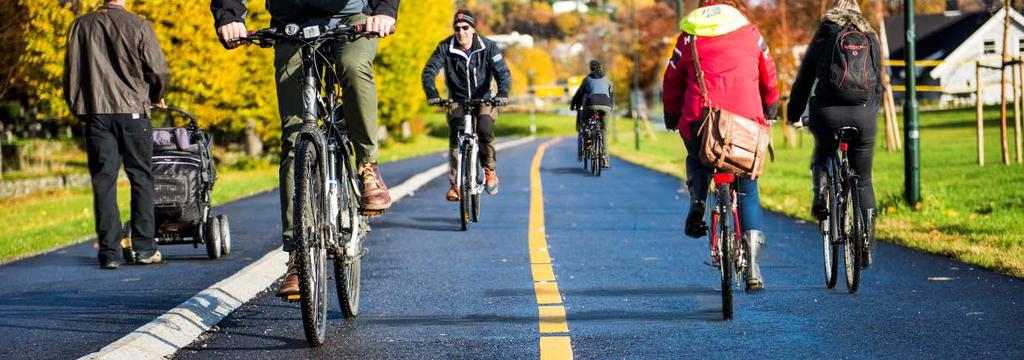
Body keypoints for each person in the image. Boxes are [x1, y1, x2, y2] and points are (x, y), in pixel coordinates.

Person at [211, 0, 399, 297]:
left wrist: (384, 10)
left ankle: (367, 167)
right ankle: (298, 254)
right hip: (290, 23)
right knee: (293, 138)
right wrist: (229, 15)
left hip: (348, 18)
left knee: (352, 67)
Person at [662, 0, 779, 291]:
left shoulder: (689, 34)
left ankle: (698, 203)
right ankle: (752, 267)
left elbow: (672, 79)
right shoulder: (750, 31)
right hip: (745, 122)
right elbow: (769, 72)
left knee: (697, 155)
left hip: (701, 119)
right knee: (748, 188)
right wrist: (771, 106)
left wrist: (671, 114)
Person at [63, 0, 169, 269]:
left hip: (97, 114)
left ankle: (109, 253)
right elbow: (157, 70)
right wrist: (156, 96)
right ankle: (144, 248)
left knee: (104, 182)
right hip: (133, 112)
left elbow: (72, 74)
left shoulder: (80, 26)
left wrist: (81, 110)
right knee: (141, 178)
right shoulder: (139, 25)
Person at [788, 0, 881, 267]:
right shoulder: (870, 36)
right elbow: (877, 83)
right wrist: (870, 113)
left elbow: (805, 79)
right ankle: (866, 242)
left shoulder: (826, 33)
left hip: (827, 112)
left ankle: (821, 196)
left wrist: (794, 115)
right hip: (863, 115)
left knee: (824, 149)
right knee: (863, 178)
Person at [422, 10, 512, 201]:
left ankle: (489, 171)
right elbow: (430, 70)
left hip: (484, 98)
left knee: (485, 127)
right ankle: (455, 184)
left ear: (473, 29)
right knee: (457, 132)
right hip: (457, 99)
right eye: (457, 28)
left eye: (465, 28)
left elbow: (502, 72)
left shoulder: (488, 47)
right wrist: (432, 94)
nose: (461, 32)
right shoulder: (445, 47)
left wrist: (503, 93)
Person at [570, 60, 614, 168]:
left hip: (591, 105)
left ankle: (588, 140)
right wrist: (611, 106)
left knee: (585, 122)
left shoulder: (587, 79)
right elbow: (611, 93)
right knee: (604, 131)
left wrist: (573, 105)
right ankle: (605, 159)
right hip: (606, 105)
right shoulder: (607, 80)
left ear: (590, 68)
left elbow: (579, 94)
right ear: (601, 68)